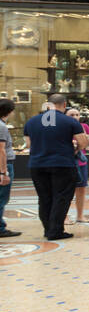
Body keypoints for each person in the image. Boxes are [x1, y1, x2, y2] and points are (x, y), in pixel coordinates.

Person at [25, 93, 89, 239]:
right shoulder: (70, 122)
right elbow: (83, 143)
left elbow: (29, 145)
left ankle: (48, 229)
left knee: (44, 198)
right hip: (63, 164)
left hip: (37, 165)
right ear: (64, 105)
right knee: (61, 197)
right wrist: (73, 149)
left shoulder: (31, 122)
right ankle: (55, 231)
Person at [66, 107, 89, 224]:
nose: (75, 117)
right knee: (66, 190)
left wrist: (84, 134)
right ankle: (64, 216)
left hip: (81, 162)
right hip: (66, 163)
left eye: (77, 115)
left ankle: (80, 215)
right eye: (71, 115)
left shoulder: (84, 127)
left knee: (81, 189)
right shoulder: (62, 127)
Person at [0, 99, 18, 238]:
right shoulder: (2, 127)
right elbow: (1, 150)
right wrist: (3, 172)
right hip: (4, 165)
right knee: (2, 197)